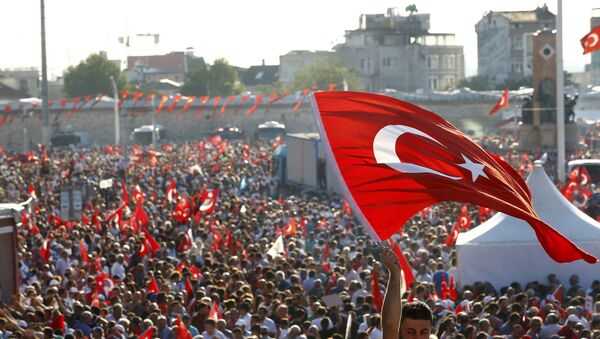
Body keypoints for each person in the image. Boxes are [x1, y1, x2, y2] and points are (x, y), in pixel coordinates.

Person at [380, 246, 433, 339]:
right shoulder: (393, 331)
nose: (417, 338)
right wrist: (395, 273)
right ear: (399, 330)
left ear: (430, 330)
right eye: (410, 332)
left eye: (423, 332)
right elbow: (390, 328)